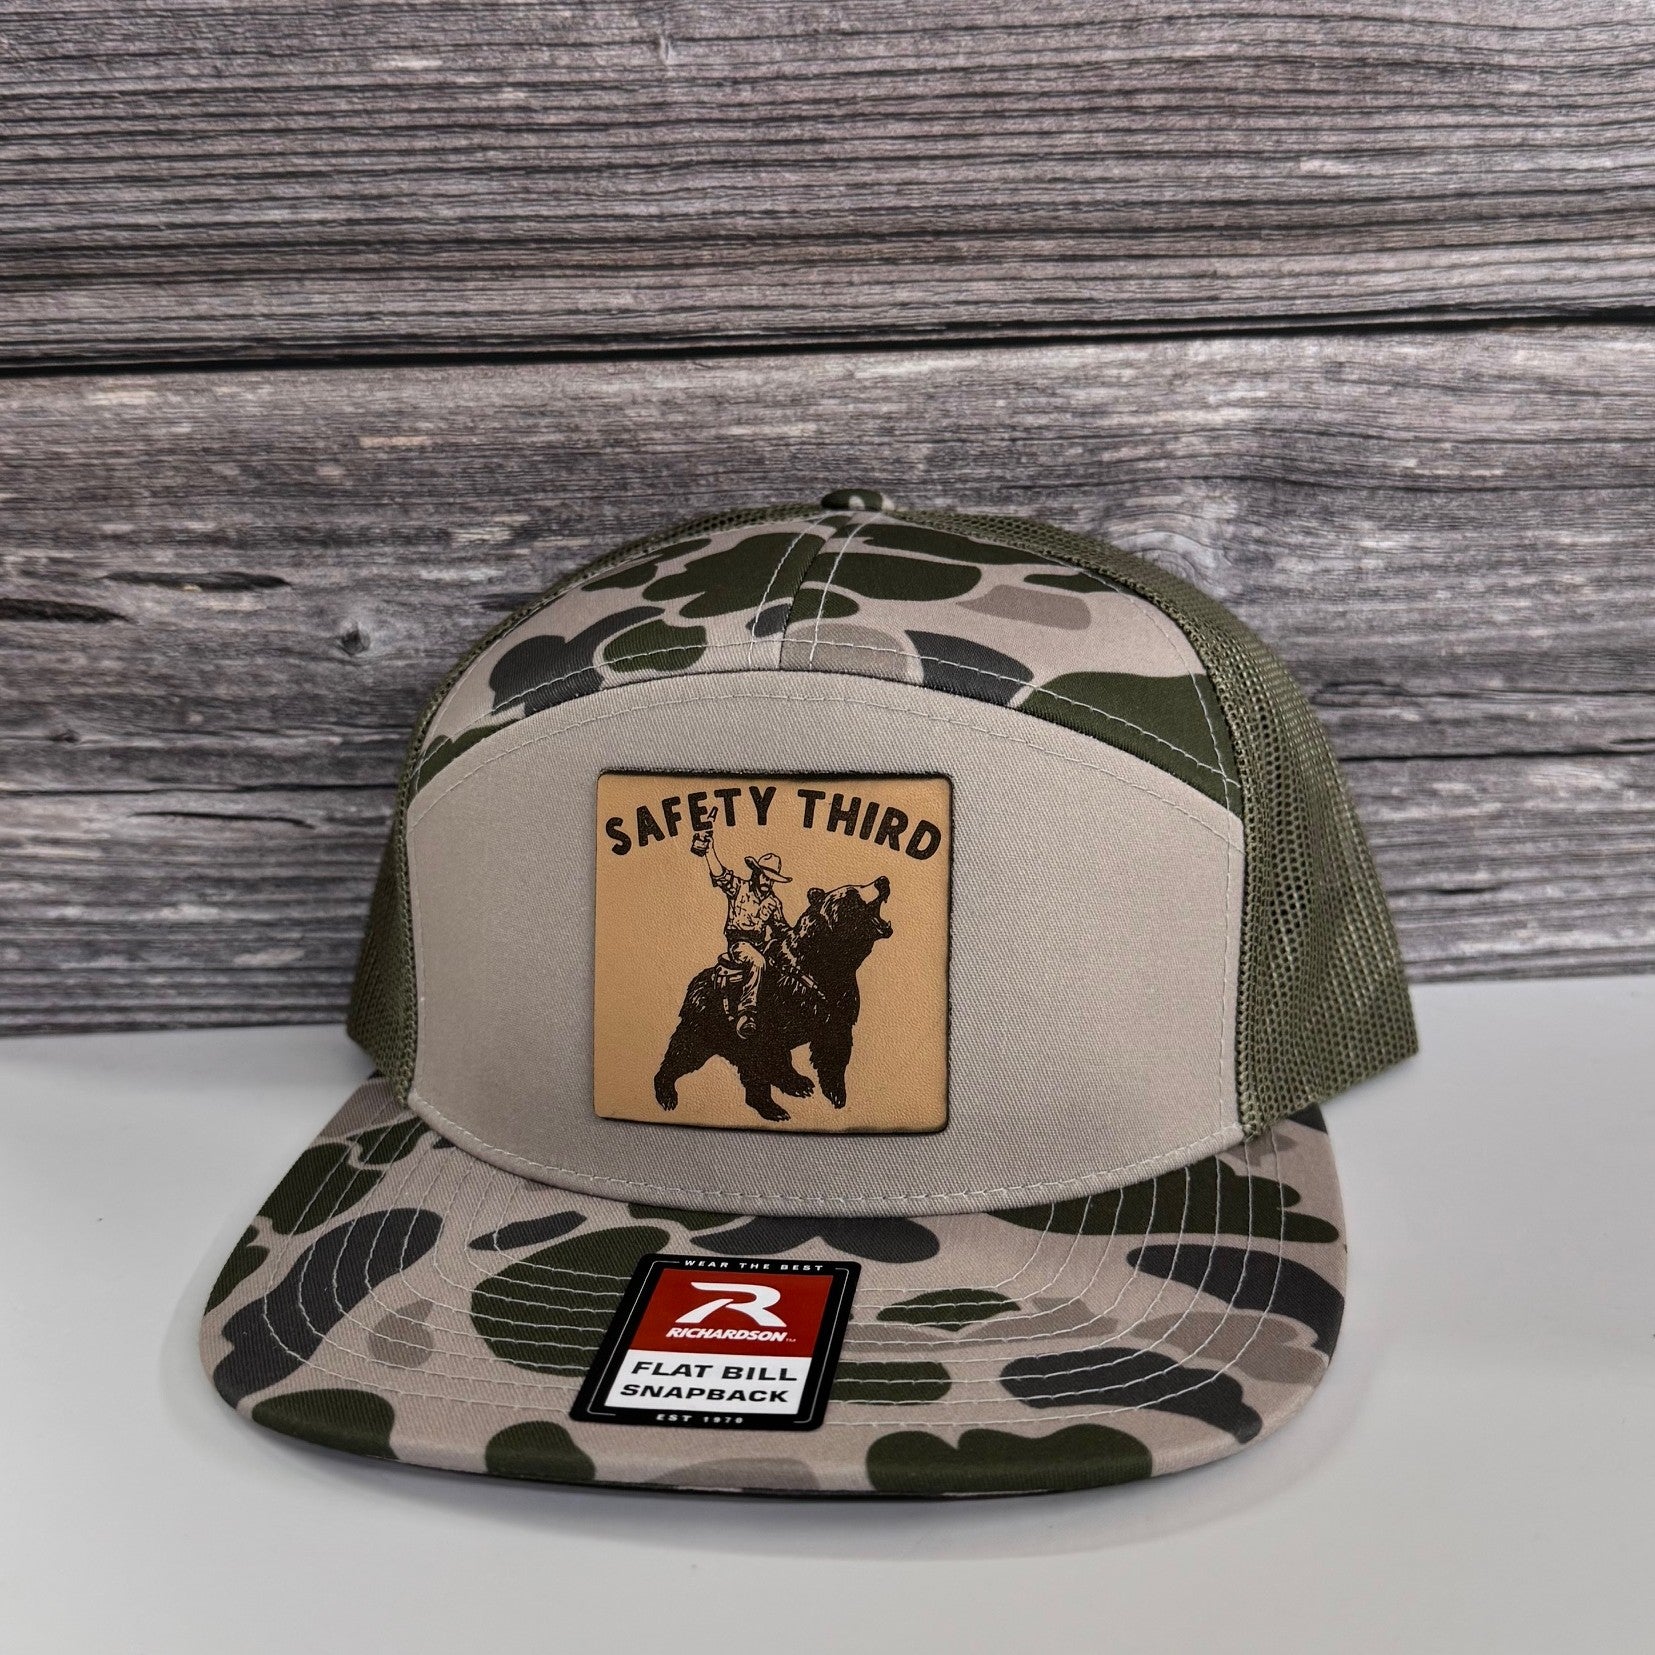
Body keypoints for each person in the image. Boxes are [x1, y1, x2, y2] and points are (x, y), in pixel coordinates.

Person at [691, 828, 791, 1039]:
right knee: (757, 962)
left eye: (772, 879)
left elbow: (781, 927)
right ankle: (747, 1013)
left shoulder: (773, 903)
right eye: (765, 877)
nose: (767, 882)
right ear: (756, 874)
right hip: (740, 944)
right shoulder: (739, 888)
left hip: (762, 944)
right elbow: (720, 875)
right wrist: (709, 850)